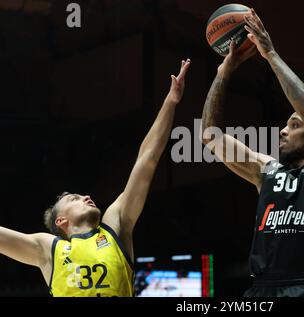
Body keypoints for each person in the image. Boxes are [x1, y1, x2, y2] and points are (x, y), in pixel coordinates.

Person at [201, 8, 304, 297]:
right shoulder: (268, 171)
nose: (282, 131)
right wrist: (223, 73)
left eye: (294, 124)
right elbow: (210, 136)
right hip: (260, 291)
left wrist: (270, 53)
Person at [0, 59, 191, 297]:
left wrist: (171, 101)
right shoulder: (49, 249)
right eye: (74, 198)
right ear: (61, 221)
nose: (87, 197)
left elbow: (148, 160)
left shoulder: (115, 226)